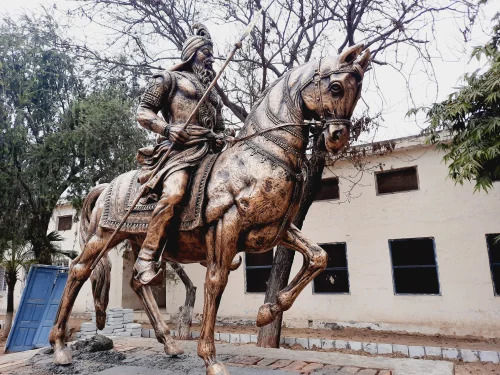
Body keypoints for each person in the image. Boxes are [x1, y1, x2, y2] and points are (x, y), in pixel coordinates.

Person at [133, 24, 225, 285]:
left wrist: (221, 136)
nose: (210, 58)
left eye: (211, 53)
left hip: (208, 150)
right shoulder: (169, 79)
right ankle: (147, 256)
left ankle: (210, 247)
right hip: (179, 150)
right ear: (191, 53)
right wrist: (167, 128)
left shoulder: (213, 92)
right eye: (205, 52)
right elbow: (143, 112)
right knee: (174, 193)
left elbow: (218, 127)